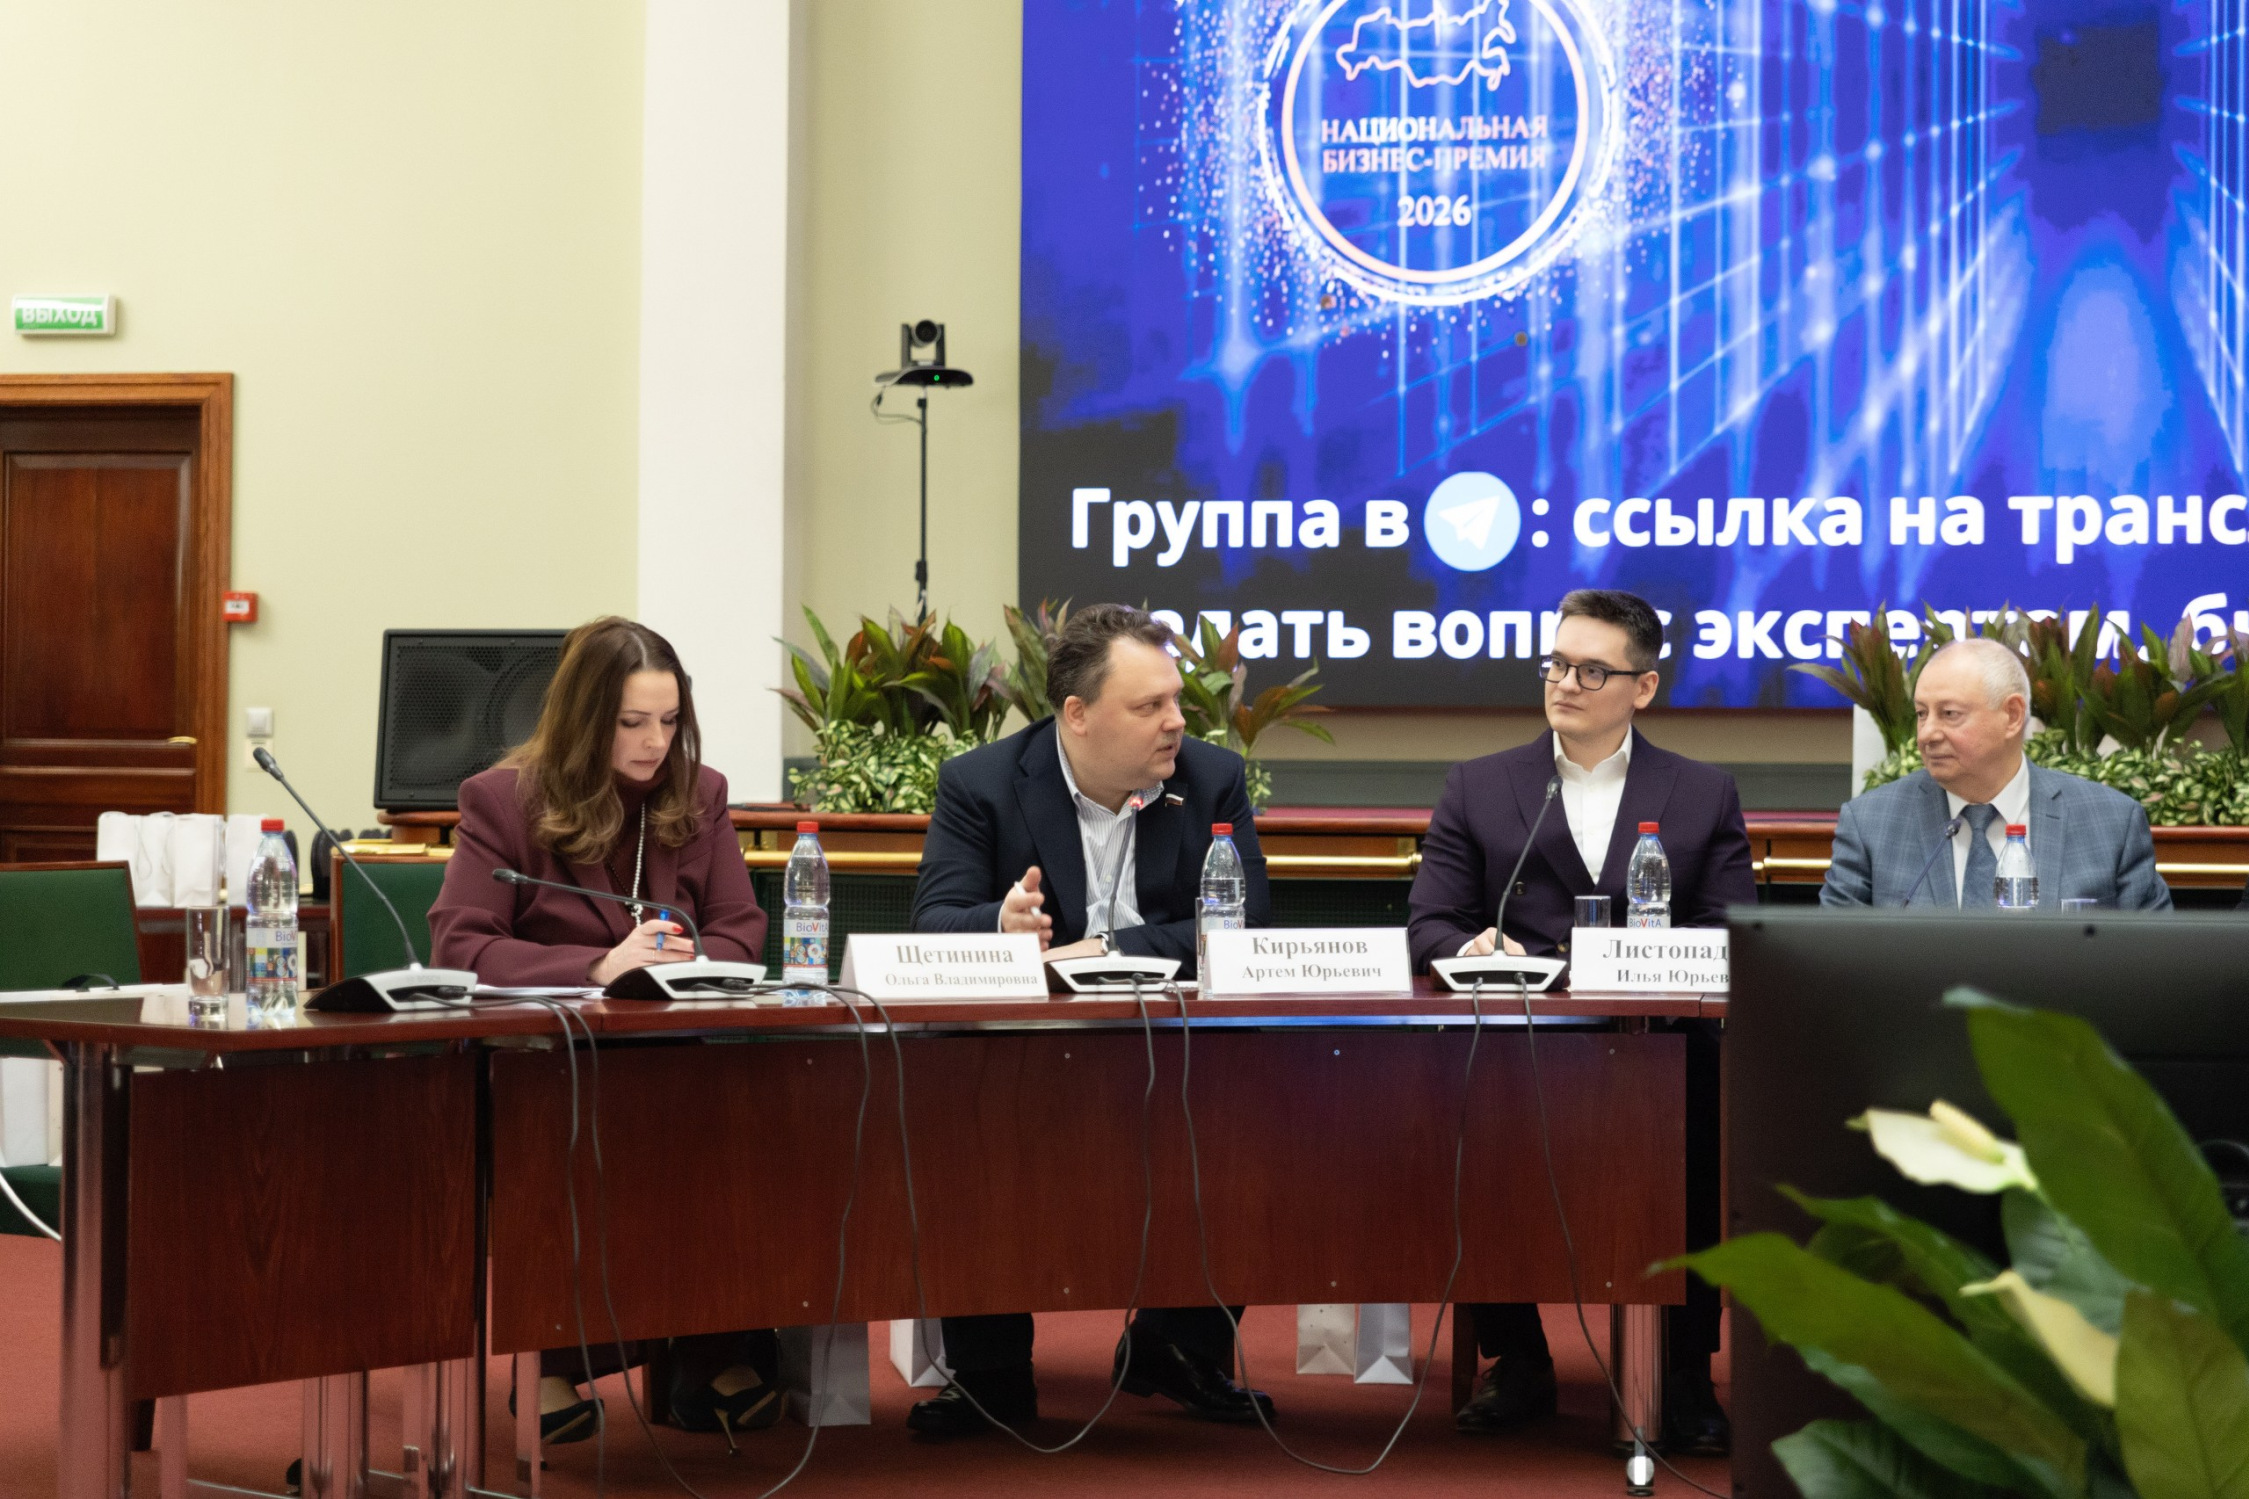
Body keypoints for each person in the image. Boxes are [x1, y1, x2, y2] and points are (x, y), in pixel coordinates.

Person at [907, 602, 1276, 1436]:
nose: (1176, 720)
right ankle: (991, 1373)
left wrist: (1101, 947)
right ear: (1076, 714)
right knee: (959, 1093)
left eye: (1175, 700)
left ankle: (1178, 1347)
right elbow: (933, 920)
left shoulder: (1210, 778)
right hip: (1022, 1051)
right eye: (1149, 706)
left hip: (1172, 1042)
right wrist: (998, 926)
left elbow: (1242, 922)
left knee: (1251, 1090)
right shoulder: (983, 783)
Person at [1407, 589, 1751, 1456]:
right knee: (1468, 1105)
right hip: (1521, 1041)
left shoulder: (1702, 792)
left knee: (1701, 1110)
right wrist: (1473, 942)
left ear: (1643, 687)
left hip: (1659, 1045)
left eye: (1591, 670)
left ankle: (1682, 1370)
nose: (1564, 683)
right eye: (1557, 664)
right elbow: (1430, 922)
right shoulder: (1480, 784)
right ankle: (1517, 1359)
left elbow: (1728, 931)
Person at [429, 616, 780, 1446]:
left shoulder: (699, 793)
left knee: (745, 1115)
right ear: (587, 719)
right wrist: (598, 965)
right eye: (632, 722)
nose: (656, 742)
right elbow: (461, 944)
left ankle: (707, 1346)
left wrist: (683, 957)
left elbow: (741, 927)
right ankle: (552, 1357)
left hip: (670, 1050)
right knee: (578, 1125)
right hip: (546, 1059)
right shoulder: (503, 799)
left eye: (670, 720)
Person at [1822, 636, 2171, 910]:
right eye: (1921, 714)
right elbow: (1835, 961)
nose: (1927, 734)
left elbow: (2152, 962)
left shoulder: (2111, 824)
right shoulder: (1871, 825)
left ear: (2013, 716)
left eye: (1949, 714)